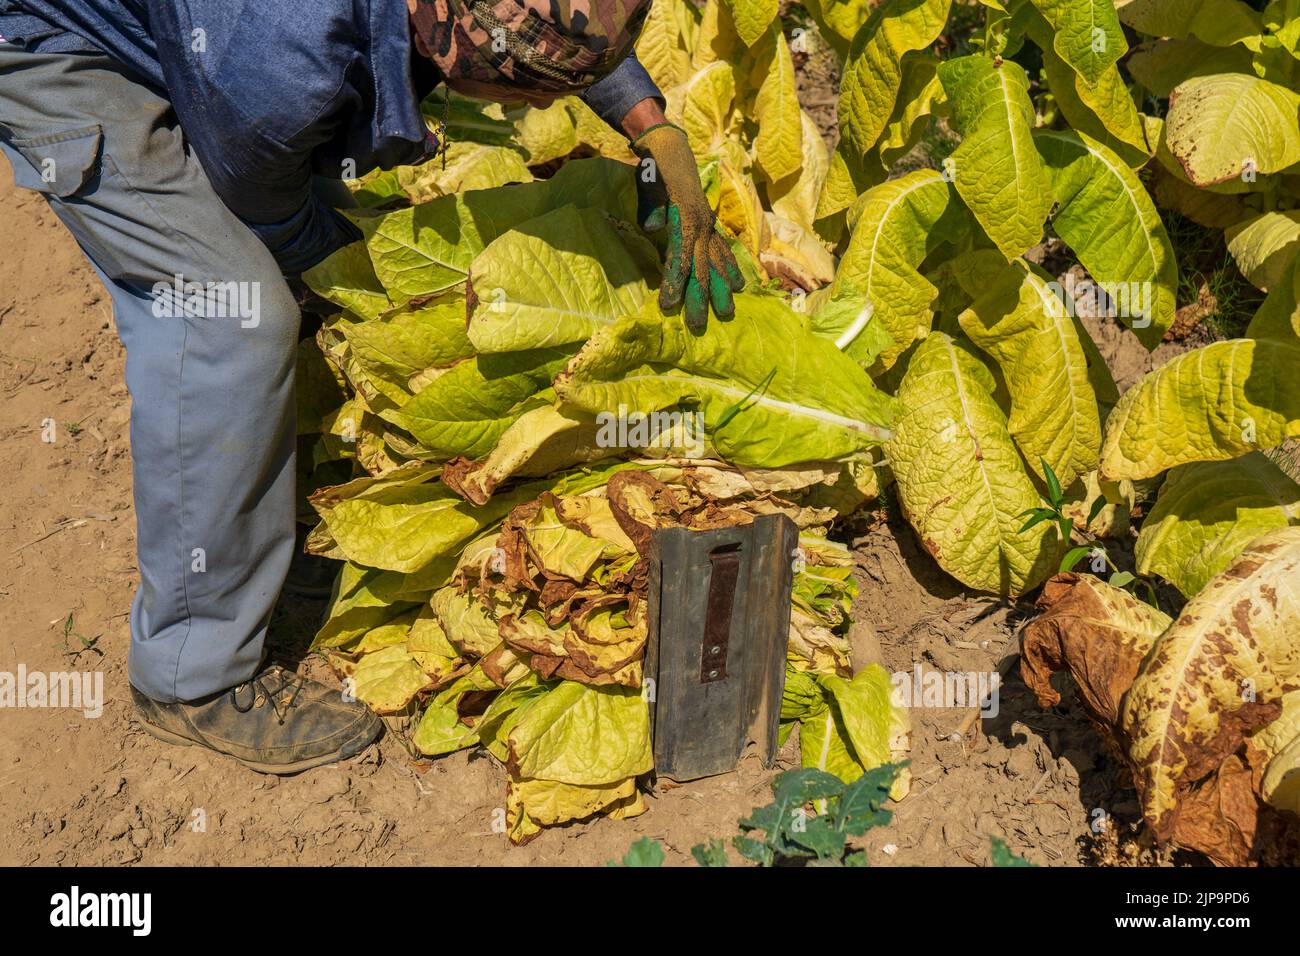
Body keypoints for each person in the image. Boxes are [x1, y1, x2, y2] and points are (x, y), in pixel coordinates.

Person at [0, 0, 742, 774]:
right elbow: (268, 211)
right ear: (461, 57)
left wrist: (654, 128)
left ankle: (273, 534)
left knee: (315, 234)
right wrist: (386, 302)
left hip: (198, 43)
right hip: (57, 46)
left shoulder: (402, 36)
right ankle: (191, 677)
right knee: (233, 313)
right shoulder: (280, 67)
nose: (545, 106)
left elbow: (554, 17)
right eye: (533, 92)